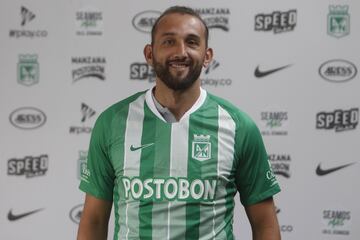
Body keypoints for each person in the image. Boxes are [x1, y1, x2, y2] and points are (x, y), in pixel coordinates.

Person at [77, 6, 281, 240]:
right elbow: (94, 220)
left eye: (192, 42)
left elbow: (265, 223)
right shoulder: (112, 123)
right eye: (169, 42)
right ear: (149, 54)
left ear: (207, 56)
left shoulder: (239, 127)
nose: (181, 52)